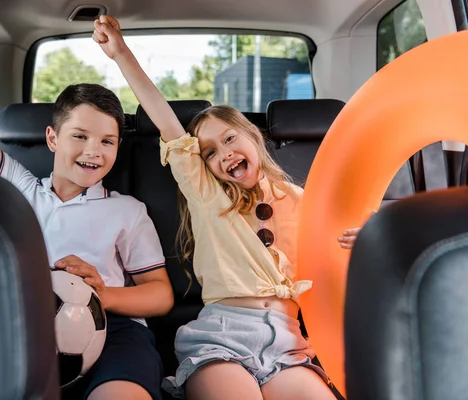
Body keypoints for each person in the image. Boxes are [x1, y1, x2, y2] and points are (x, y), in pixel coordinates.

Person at [93, 15, 369, 400]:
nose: (224, 155)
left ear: (253, 137)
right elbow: (166, 122)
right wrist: (121, 54)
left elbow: (341, 246)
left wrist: (369, 235)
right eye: (210, 153)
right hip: (223, 336)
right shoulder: (208, 195)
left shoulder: (302, 200)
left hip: (288, 343)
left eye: (229, 139)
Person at [0, 2, 173, 399]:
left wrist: (102, 293)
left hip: (115, 332)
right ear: (52, 138)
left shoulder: (127, 211)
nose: (93, 151)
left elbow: (161, 293)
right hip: (26, 325)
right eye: (79, 136)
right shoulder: (18, 186)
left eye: (107, 141)